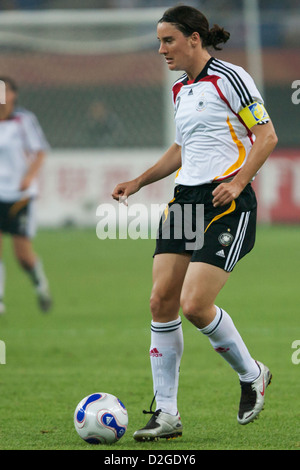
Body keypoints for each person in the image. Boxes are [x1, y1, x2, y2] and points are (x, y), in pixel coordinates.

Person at [112, 5, 278, 441]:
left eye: (168, 40)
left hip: (226, 201)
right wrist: (139, 181)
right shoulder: (180, 90)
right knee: (160, 302)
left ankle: (252, 374)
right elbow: (182, 149)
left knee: (194, 305)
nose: (161, 49)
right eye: (159, 41)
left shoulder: (232, 78)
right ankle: (166, 414)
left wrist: (239, 183)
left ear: (194, 39)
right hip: (185, 200)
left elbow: (267, 136)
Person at [0, 76, 52, 314]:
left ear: (13, 94)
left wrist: (29, 176)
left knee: (23, 256)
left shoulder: (23, 120)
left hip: (19, 195)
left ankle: (40, 285)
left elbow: (39, 151)